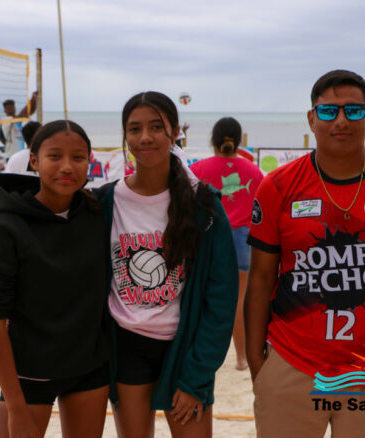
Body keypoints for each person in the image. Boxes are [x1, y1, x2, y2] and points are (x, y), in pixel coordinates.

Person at [245, 70, 365, 438]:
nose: (341, 121)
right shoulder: (278, 186)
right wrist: (258, 362)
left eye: (353, 110)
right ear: (311, 118)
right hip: (293, 363)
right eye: (329, 111)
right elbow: (260, 278)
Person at [95, 91, 238, 438]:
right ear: (125, 136)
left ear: (175, 132)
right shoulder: (105, 201)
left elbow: (221, 298)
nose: (145, 137)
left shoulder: (203, 204)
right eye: (135, 129)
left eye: (156, 127)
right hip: (126, 346)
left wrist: (197, 376)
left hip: (184, 348)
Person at [0, 120, 110, 438]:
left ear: (90, 162)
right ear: (34, 160)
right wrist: (15, 408)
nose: (67, 166)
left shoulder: (96, 212)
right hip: (28, 375)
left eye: (78, 157)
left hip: (89, 368)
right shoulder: (3, 228)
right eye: (54, 156)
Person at [190, 117, 264, 371]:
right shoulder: (254, 171)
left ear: (213, 140)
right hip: (243, 239)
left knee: (203, 298)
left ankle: (201, 354)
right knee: (239, 301)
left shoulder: (198, 169)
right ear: (239, 141)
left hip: (210, 236)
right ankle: (242, 358)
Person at [0, 91, 38, 157]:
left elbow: (30, 111)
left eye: (11, 108)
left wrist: (34, 99)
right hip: (10, 156)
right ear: (5, 111)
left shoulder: (19, 121)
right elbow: (24, 113)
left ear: (14, 109)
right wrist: (33, 98)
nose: (10, 110)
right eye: (8, 109)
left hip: (20, 154)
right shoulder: (5, 120)